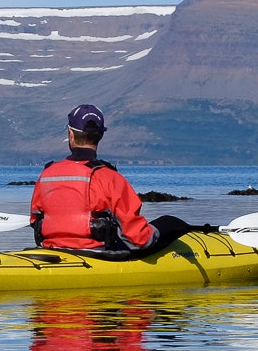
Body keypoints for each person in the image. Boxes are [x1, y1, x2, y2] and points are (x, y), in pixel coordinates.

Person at [30, 104, 190, 254]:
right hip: (96, 254)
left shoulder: (46, 174)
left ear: (71, 134)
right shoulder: (110, 177)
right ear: (100, 136)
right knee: (169, 222)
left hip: (52, 250)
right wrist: (168, 227)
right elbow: (139, 238)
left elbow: (35, 220)